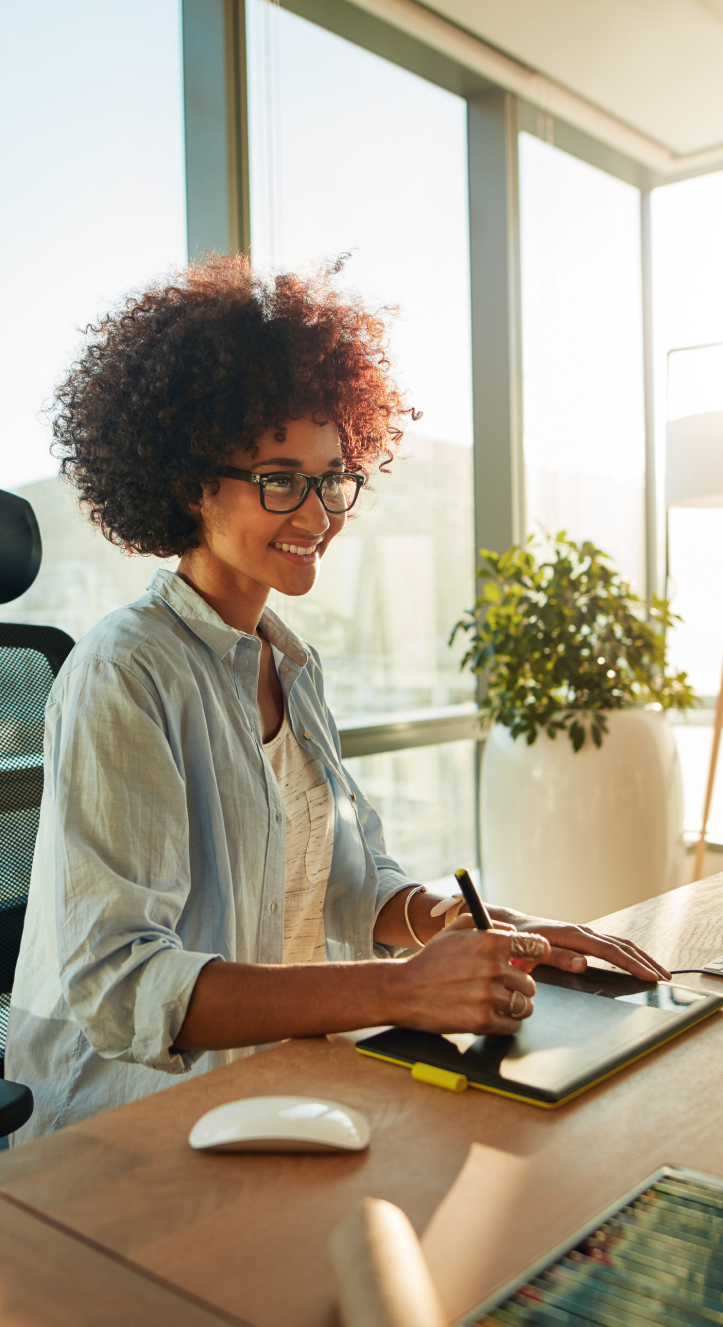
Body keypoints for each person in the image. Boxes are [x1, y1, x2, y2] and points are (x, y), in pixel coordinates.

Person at [6, 256, 669, 1142]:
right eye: (280, 479)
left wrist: (490, 927)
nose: (318, 513)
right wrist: (403, 989)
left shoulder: (292, 663)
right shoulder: (122, 672)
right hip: (129, 1129)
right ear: (188, 484)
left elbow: (357, 892)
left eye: (333, 478)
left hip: (281, 1088)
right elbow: (121, 984)